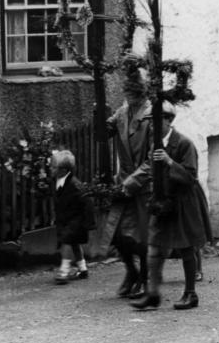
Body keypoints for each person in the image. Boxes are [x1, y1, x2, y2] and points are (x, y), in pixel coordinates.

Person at [131, 102, 208, 311]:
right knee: (154, 249)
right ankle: (153, 293)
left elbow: (190, 177)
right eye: (150, 123)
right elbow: (152, 173)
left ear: (168, 120)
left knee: (185, 248)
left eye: (156, 122)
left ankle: (190, 293)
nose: (152, 127)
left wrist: (170, 162)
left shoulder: (184, 144)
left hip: (182, 202)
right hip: (162, 203)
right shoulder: (155, 145)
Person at [100, 77, 153, 298]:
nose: (128, 96)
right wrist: (99, 116)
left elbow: (153, 159)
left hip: (143, 185)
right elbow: (104, 133)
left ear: (142, 94)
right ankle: (131, 271)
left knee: (141, 237)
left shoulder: (152, 116)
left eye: (132, 92)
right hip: (122, 182)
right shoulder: (123, 112)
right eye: (127, 92)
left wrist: (133, 181)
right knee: (117, 235)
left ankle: (144, 278)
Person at [52, 150, 95, 284]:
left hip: (77, 219)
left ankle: (64, 271)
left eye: (54, 167)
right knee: (74, 243)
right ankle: (82, 269)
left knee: (66, 240)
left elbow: (88, 202)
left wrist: (89, 223)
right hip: (66, 218)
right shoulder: (57, 181)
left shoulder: (75, 185)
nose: (51, 169)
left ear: (64, 170)